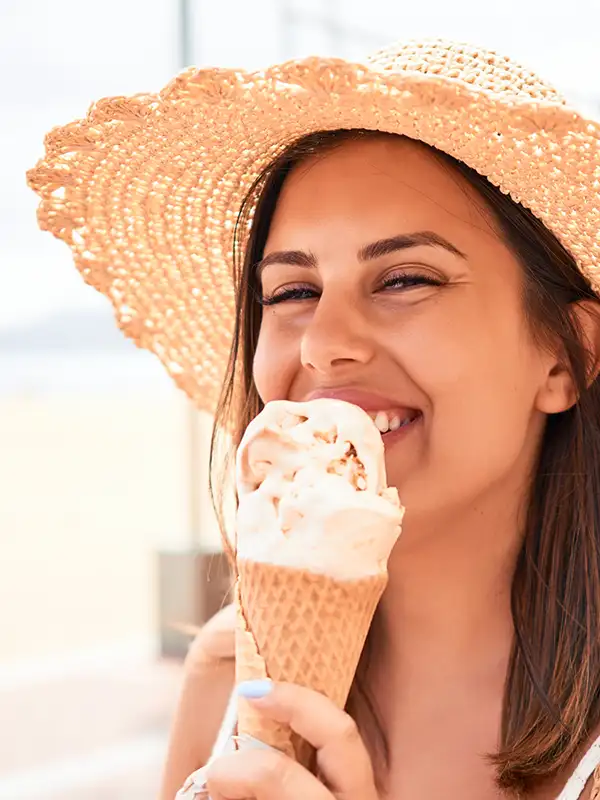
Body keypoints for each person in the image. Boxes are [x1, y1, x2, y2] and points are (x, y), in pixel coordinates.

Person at [27, 39, 600, 800]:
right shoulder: (230, 683)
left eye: (404, 279)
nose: (327, 345)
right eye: (292, 292)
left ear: (567, 358)